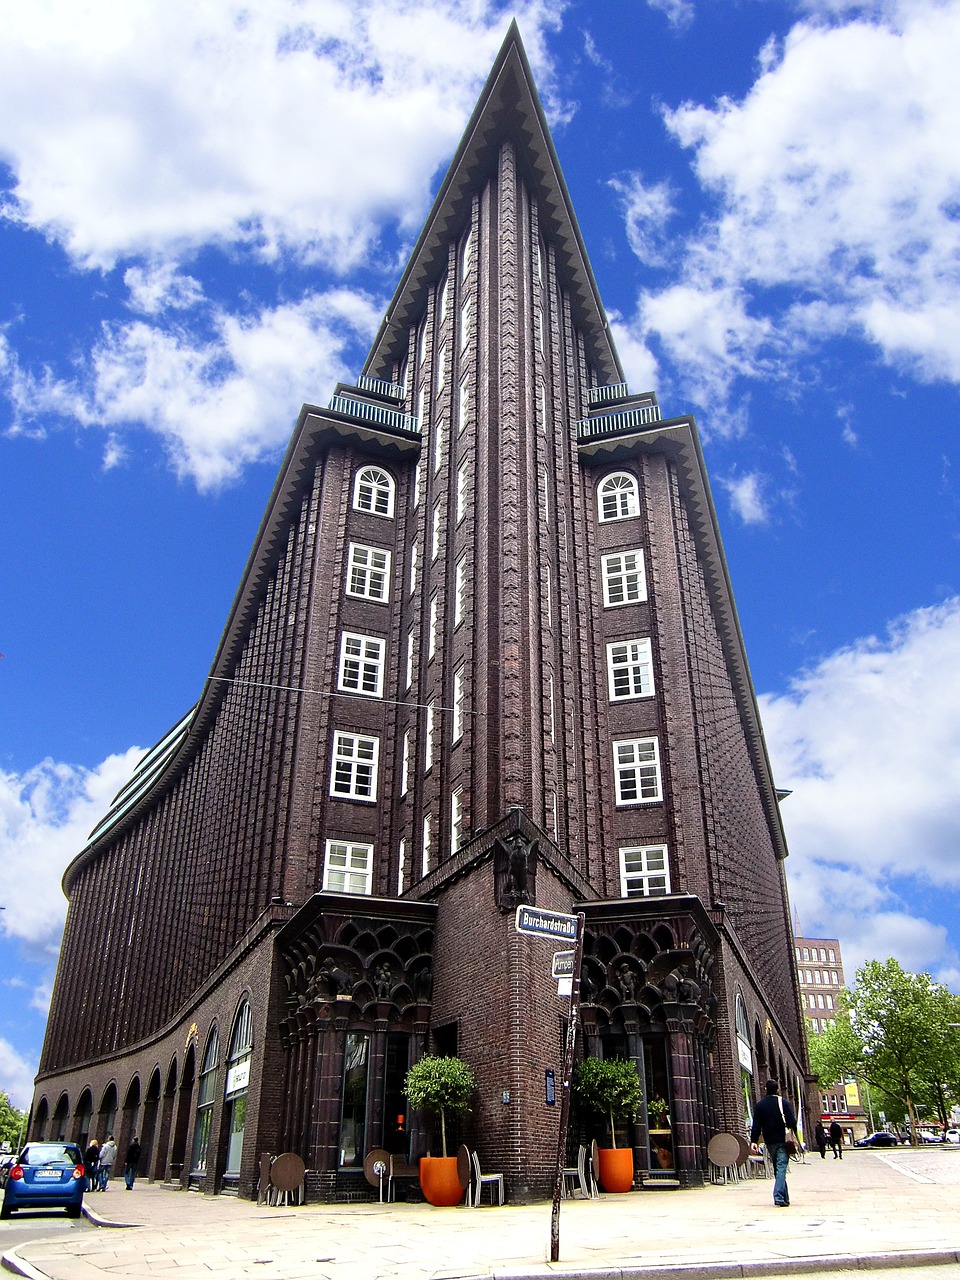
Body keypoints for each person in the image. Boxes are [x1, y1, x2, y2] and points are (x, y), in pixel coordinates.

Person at [750, 1079, 798, 1207]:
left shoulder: (760, 1105)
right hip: (783, 1140)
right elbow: (792, 1122)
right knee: (781, 1167)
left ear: (766, 1089)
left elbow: (756, 1125)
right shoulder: (783, 1103)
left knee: (778, 1168)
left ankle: (785, 1198)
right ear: (777, 1090)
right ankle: (778, 1196)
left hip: (769, 1141)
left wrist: (753, 1141)